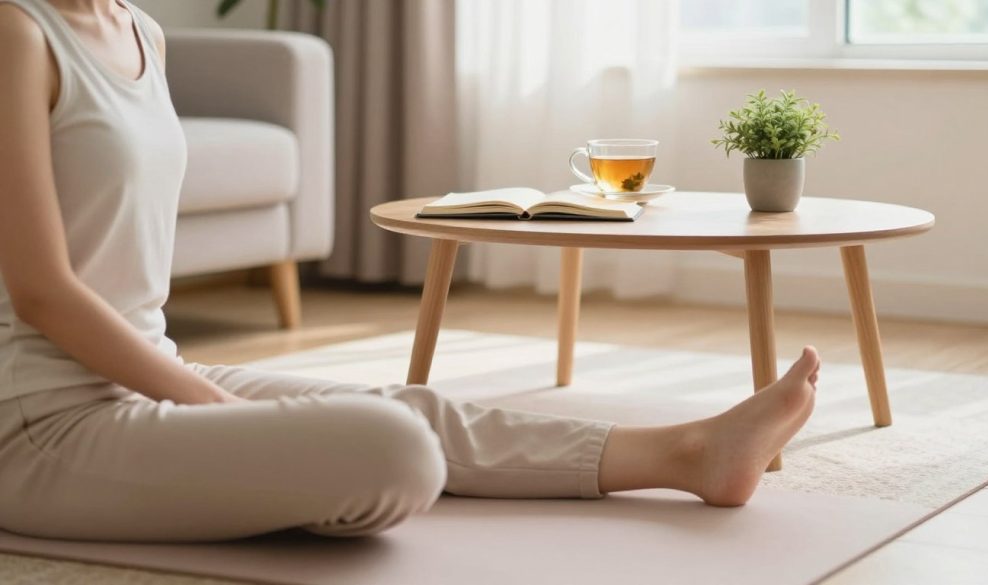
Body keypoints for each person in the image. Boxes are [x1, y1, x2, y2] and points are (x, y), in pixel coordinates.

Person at [0, 0, 820, 543]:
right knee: (391, 445)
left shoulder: (143, 30)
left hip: (147, 374)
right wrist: (215, 410)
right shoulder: (19, 33)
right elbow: (42, 291)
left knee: (410, 408)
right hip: (37, 424)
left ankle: (687, 452)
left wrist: (201, 400)